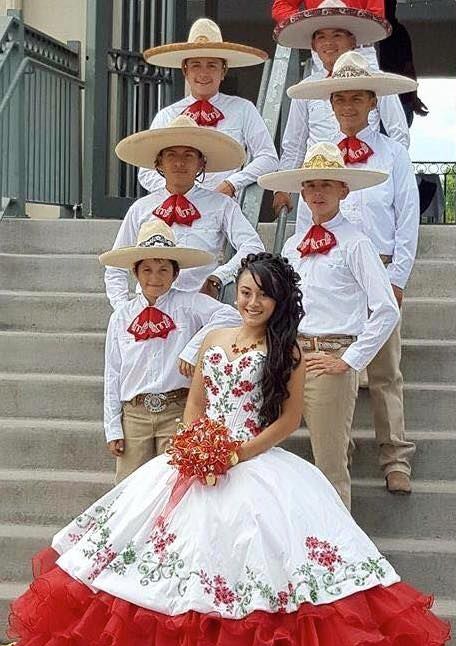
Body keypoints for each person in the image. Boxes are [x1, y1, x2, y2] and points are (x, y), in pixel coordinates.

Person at [9, 251, 456, 646]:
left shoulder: (286, 352)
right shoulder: (214, 338)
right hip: (196, 456)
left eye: (262, 295)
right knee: (156, 566)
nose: (251, 302)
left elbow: (289, 422)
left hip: (255, 461)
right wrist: (193, 444)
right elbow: (197, 403)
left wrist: (235, 454)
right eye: (245, 292)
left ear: (278, 300)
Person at [288, 50, 419, 494]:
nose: (348, 107)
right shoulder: (317, 159)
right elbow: (309, 223)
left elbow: (408, 218)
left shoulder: (393, 155)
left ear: (372, 102)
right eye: (340, 99)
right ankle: (338, 447)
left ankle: (394, 455)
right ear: (331, 104)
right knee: (334, 365)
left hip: (378, 265)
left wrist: (397, 277)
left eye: (357, 98)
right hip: (331, 271)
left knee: (383, 370)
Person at [259, 141, 399, 508]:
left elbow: (386, 309)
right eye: (310, 185)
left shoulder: (356, 244)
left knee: (330, 463)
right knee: (270, 455)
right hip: (290, 357)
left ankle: (340, 559)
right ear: (302, 192)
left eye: (326, 184)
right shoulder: (292, 246)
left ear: (343, 190)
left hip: (329, 357)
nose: (318, 192)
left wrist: (350, 360)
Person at [100, 219, 242, 483]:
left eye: (163, 270)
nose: (155, 278)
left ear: (175, 273)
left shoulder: (188, 304)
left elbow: (232, 316)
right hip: (135, 414)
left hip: (176, 409)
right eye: (148, 270)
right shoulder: (122, 317)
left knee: (173, 483)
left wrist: (193, 348)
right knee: (130, 490)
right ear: (135, 272)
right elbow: (113, 373)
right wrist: (112, 427)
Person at [105, 114, 265, 309]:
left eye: (188, 155)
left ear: (201, 163)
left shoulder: (221, 205)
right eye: (171, 155)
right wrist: (123, 309)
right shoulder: (141, 208)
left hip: (199, 304)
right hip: (150, 308)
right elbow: (115, 267)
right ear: (159, 163)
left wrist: (218, 278)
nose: (179, 163)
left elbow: (254, 246)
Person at [272, 0, 410, 218]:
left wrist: (389, 182)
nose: (329, 43)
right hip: (317, 189)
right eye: (321, 37)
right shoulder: (306, 88)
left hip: (364, 187)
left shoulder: (373, 81)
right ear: (313, 45)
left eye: (337, 35)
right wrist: (282, 187)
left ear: (353, 40)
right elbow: (294, 143)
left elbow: (399, 134)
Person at [139, 18, 278, 196]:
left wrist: (232, 183)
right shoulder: (168, 114)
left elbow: (268, 158)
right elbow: (146, 171)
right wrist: (176, 190)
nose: (203, 73)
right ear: (185, 70)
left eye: (212, 65)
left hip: (223, 206)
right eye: (196, 65)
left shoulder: (243, 109)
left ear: (223, 71)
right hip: (176, 211)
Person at [378, 0, 429, 127]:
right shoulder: (390, 31)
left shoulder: (398, 32)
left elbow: (408, 67)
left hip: (398, 97)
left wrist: (413, 97)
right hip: (384, 97)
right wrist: (413, 97)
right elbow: (409, 68)